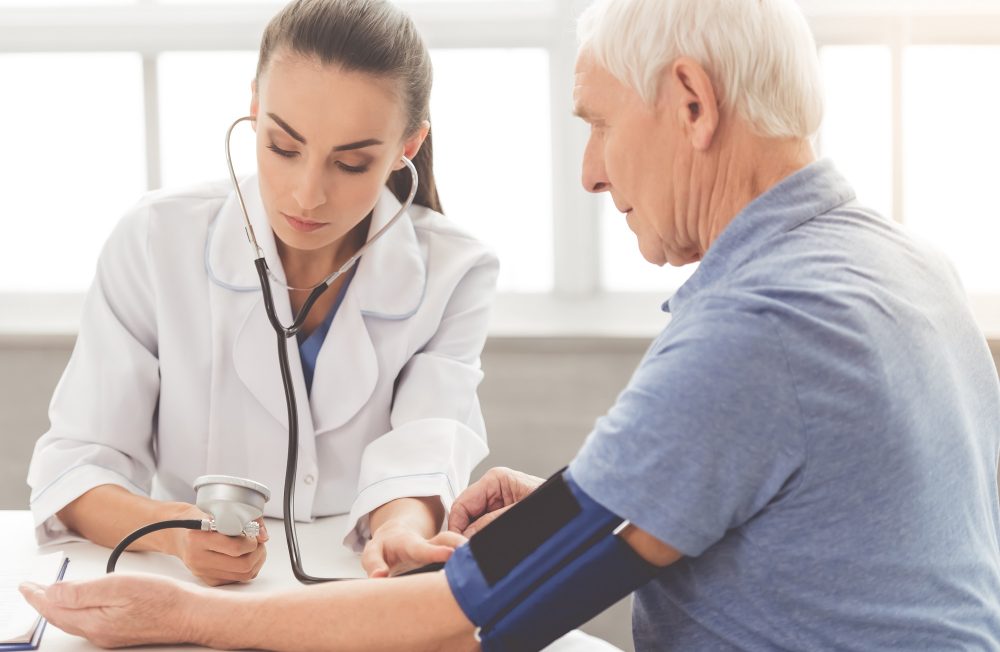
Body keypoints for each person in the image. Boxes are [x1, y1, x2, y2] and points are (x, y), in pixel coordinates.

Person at [21, 0, 1000, 649]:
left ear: (691, 103)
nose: (590, 171)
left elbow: (494, 602)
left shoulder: (767, 322)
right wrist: (583, 501)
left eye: (597, 123)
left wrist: (195, 617)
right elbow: (790, 526)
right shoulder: (903, 265)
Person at [25, 0, 497, 586]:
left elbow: (424, 449)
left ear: (408, 145)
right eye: (282, 147)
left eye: (351, 163)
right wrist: (170, 530)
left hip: (358, 582)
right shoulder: (155, 239)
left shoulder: (457, 271)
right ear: (254, 107)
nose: (307, 194)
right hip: (186, 582)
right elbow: (73, 468)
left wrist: (400, 532)